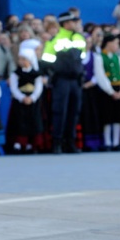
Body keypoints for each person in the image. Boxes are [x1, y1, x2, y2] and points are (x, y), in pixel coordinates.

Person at [42, 12, 86, 154]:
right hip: (61, 80)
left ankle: (70, 142)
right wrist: (58, 68)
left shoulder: (79, 38)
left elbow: (82, 58)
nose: (75, 24)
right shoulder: (55, 39)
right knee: (59, 111)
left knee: (74, 112)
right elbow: (46, 60)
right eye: (73, 22)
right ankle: (57, 142)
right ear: (65, 23)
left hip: (75, 80)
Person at [94, 34, 120, 150]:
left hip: (119, 88)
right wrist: (110, 91)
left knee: (118, 115)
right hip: (107, 90)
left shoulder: (118, 57)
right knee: (107, 115)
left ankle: (116, 142)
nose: (117, 46)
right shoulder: (99, 57)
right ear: (108, 43)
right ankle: (108, 142)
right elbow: (101, 76)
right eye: (115, 43)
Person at [7, 47, 44, 153]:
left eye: (24, 59)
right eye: (20, 59)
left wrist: (32, 98)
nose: (22, 62)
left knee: (33, 121)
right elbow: (13, 88)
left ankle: (31, 144)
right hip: (20, 102)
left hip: (33, 102)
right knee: (19, 122)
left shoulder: (36, 74)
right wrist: (21, 97)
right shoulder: (16, 73)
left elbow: (38, 88)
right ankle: (19, 144)